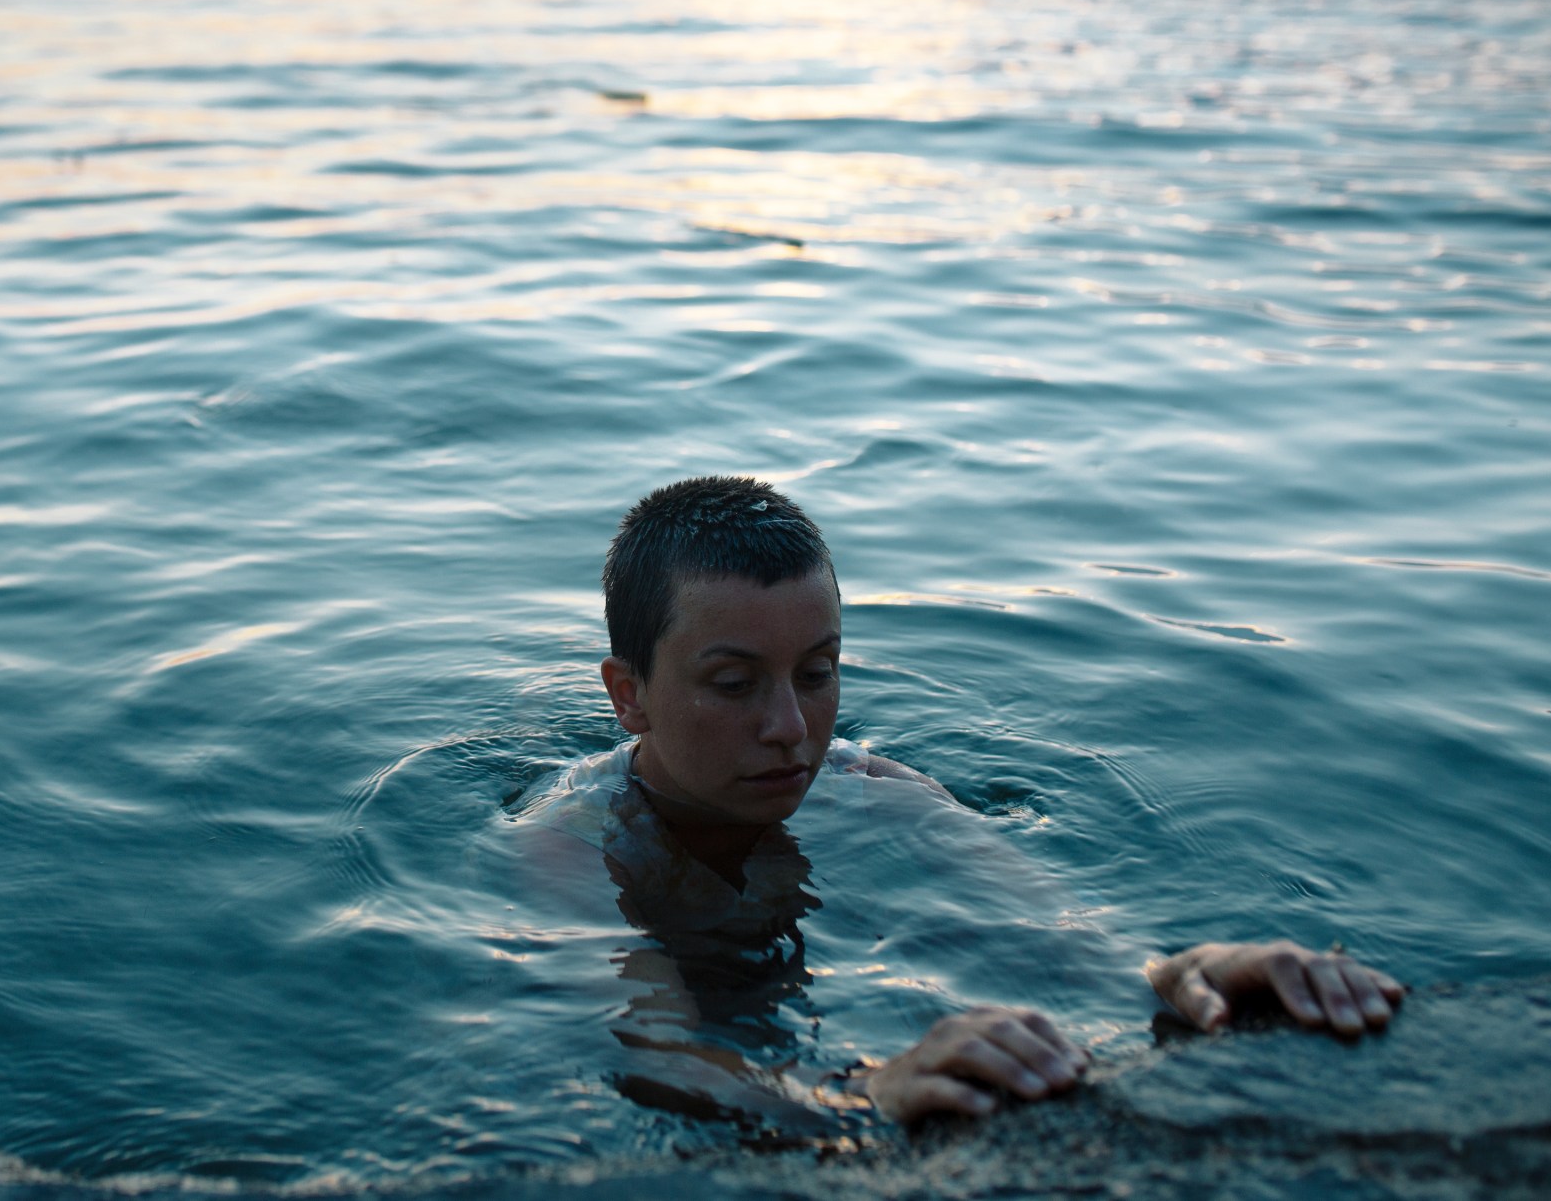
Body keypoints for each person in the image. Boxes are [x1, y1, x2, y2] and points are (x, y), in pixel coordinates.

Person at [519, 475, 1403, 1129]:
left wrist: (1185, 976)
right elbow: (651, 1048)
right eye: (734, 682)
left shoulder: (871, 790)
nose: (790, 726)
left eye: (818, 672)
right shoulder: (573, 840)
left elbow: (1064, 938)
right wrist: (859, 1096)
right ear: (627, 694)